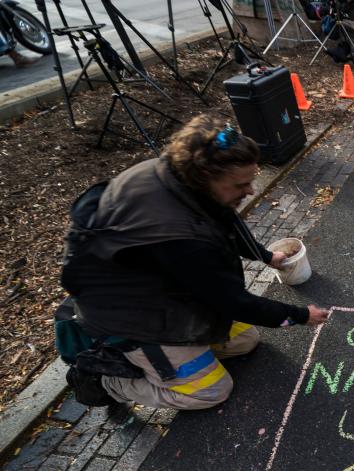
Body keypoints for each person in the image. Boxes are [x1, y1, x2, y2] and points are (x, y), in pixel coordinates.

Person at [60, 114, 330, 410]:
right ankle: (108, 381)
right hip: (136, 320)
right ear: (205, 178)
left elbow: (227, 221)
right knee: (212, 391)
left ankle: (183, 359)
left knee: (246, 340)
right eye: (241, 184)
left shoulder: (177, 176)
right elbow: (232, 301)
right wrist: (300, 315)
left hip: (170, 294)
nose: (251, 190)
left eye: (251, 180)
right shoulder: (178, 236)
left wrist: (266, 256)